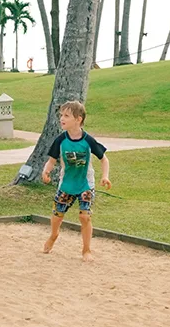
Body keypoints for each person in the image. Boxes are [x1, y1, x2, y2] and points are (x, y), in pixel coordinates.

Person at [41, 100, 111, 262]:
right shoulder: (60, 140)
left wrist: (105, 176)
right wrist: (46, 171)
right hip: (66, 184)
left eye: (66, 116)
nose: (61, 119)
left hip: (86, 184)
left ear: (78, 119)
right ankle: (53, 235)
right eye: (61, 115)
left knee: (85, 217)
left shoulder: (88, 140)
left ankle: (86, 250)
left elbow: (104, 159)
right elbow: (51, 161)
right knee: (57, 216)